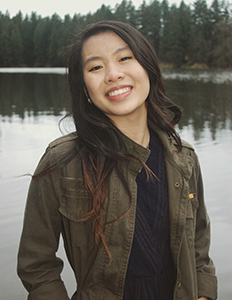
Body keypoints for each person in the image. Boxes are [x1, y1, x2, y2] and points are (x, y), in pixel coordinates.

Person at [17, 21, 217, 300]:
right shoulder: (62, 161)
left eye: (125, 58)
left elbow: (199, 246)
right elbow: (36, 265)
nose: (113, 74)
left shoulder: (184, 157)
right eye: (95, 67)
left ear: (147, 67)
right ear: (84, 88)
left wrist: (204, 295)